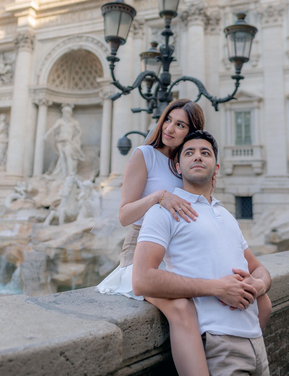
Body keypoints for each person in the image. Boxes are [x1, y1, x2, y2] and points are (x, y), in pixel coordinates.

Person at [133, 130, 272, 375]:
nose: (198, 157)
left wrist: (258, 286)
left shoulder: (226, 215)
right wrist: (217, 288)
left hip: (257, 342)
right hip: (219, 344)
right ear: (178, 166)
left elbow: (259, 269)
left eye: (205, 153)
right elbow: (142, 279)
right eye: (189, 153)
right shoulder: (164, 211)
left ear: (215, 167)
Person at [97, 99, 218, 375]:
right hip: (141, 252)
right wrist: (158, 197)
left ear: (191, 132)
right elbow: (125, 215)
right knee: (182, 308)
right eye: (168, 120)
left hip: (180, 253)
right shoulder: (144, 154)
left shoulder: (186, 161)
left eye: (180, 125)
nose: (170, 128)